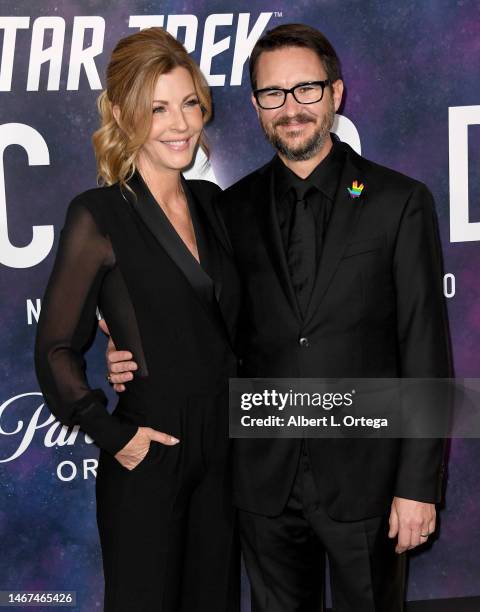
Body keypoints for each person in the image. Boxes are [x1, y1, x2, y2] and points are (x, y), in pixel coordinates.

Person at [106, 23, 452, 612]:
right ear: (257, 108)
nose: (291, 108)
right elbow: (206, 327)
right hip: (262, 482)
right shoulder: (227, 209)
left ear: (336, 94)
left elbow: (425, 346)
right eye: (273, 94)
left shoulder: (400, 202)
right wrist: (132, 352)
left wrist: (418, 486)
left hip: (367, 482)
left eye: (306, 90)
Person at [34, 27, 240, 612]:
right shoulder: (98, 214)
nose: (179, 124)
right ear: (124, 115)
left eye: (189, 104)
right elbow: (54, 347)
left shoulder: (214, 204)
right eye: (157, 108)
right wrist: (114, 435)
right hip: (150, 452)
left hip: (225, 454)